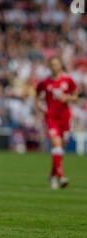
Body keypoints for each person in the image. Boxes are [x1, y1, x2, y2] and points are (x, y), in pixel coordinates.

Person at [36, 56, 77, 189]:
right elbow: (37, 96)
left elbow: (75, 96)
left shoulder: (68, 80)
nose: (54, 67)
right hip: (51, 118)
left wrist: (68, 97)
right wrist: (41, 107)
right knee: (56, 145)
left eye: (56, 64)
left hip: (65, 118)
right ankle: (61, 178)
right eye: (52, 64)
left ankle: (52, 175)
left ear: (60, 66)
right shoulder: (45, 82)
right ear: (49, 67)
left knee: (60, 151)